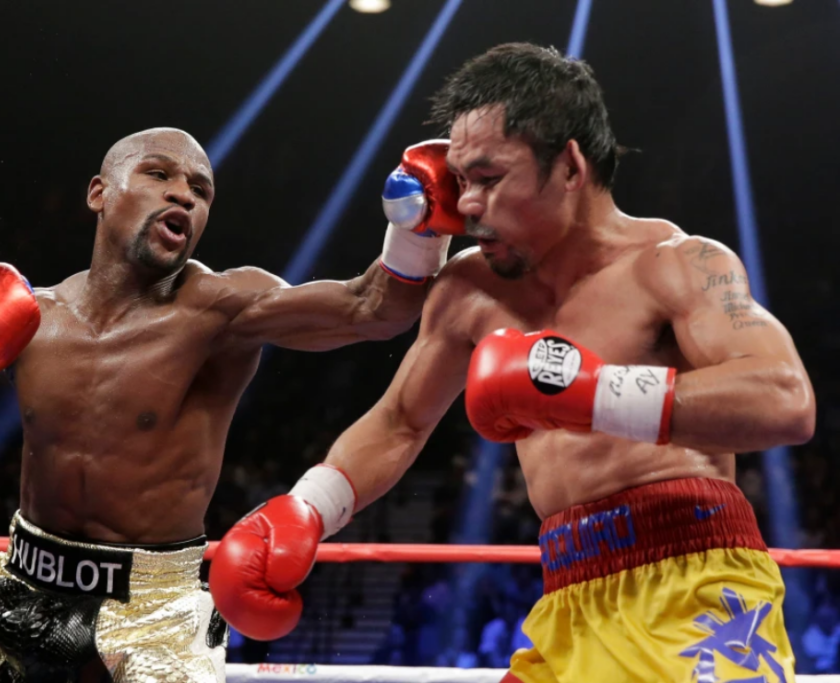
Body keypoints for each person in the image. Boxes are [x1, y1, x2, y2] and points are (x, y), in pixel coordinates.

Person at [210, 44, 816, 683]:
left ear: (571, 166)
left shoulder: (677, 264)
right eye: (460, 180)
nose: (467, 205)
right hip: (566, 594)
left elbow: (783, 398)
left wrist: (591, 393)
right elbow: (400, 423)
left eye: (490, 179)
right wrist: (307, 507)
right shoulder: (470, 290)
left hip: (695, 580)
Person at [0, 127, 463, 683]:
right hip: (20, 581)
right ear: (99, 193)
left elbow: (372, 309)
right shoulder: (31, 318)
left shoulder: (223, 307)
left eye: (201, 189)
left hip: (155, 611)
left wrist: (417, 224)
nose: (185, 196)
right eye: (160, 174)